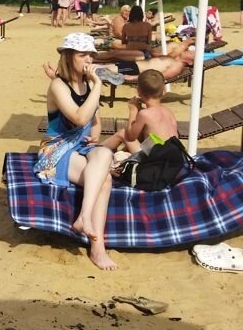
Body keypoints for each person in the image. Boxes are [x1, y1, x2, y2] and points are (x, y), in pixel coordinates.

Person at [35, 32, 116, 271]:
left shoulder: (88, 84)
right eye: (83, 55)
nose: (89, 59)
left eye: (91, 54)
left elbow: (95, 122)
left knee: (105, 154)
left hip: (81, 145)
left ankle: (84, 218)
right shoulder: (58, 86)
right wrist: (99, 85)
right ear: (69, 57)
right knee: (105, 180)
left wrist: (96, 133)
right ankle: (98, 248)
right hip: (57, 148)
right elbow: (80, 118)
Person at [102, 70, 179, 157]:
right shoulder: (168, 112)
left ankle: (96, 150)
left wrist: (133, 111)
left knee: (123, 134)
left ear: (138, 92)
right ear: (164, 91)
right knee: (142, 136)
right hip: (175, 156)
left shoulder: (144, 114)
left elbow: (131, 137)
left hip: (158, 159)